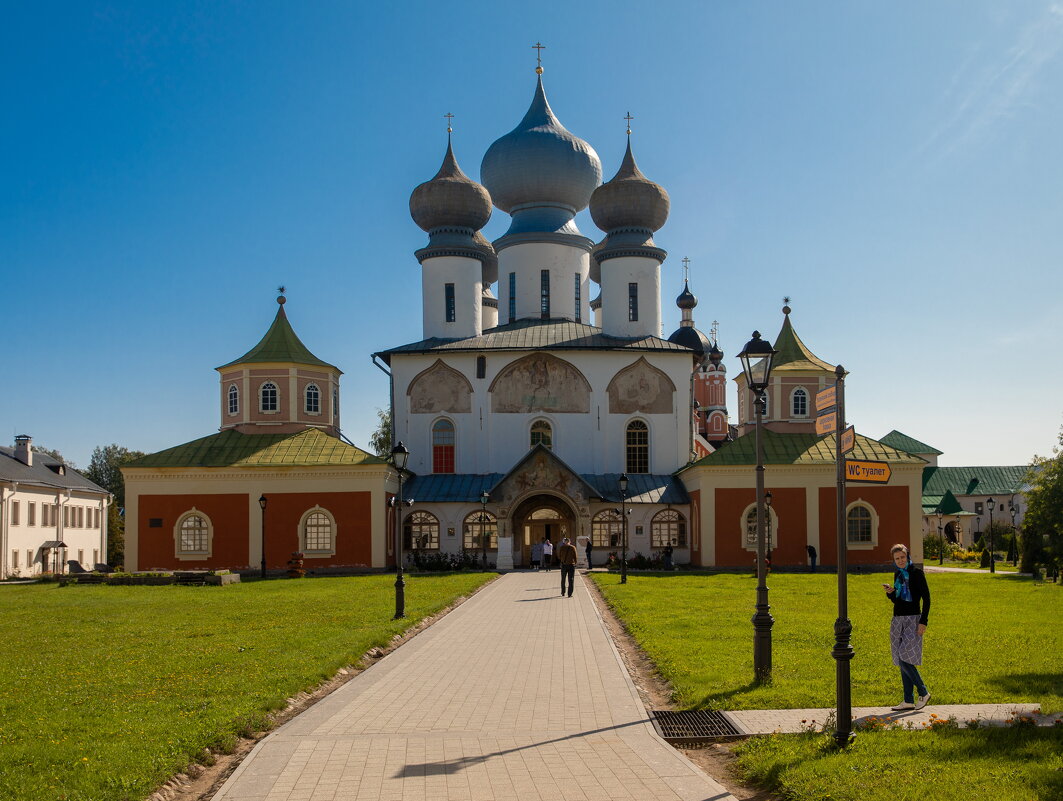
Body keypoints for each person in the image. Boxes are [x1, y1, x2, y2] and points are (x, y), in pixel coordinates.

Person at [884, 543, 931, 711]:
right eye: (897, 558)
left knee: (905, 657)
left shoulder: (917, 574)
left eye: (902, 557)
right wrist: (891, 593)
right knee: (900, 656)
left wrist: (923, 621)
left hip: (913, 619)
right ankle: (908, 700)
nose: (900, 560)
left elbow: (926, 598)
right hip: (897, 620)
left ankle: (923, 692)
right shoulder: (898, 574)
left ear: (907, 556)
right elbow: (898, 600)